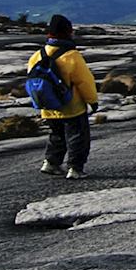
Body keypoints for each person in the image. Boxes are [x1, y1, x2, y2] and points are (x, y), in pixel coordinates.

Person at [27, 14, 99, 179]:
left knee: (56, 135)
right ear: (68, 32)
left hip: (48, 106)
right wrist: (92, 101)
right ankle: (75, 168)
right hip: (71, 106)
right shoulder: (72, 56)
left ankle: (51, 163)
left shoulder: (37, 55)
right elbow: (85, 82)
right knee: (77, 138)